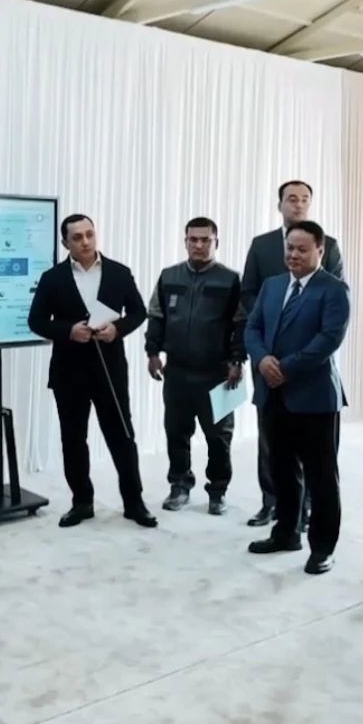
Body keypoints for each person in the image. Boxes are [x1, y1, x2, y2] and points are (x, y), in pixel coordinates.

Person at [27, 214, 156, 529]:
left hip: (109, 369)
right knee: (73, 439)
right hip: (68, 371)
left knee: (122, 436)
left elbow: (139, 312)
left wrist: (117, 329)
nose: (85, 242)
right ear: (65, 243)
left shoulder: (119, 272)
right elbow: (36, 321)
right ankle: (82, 502)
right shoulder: (52, 278)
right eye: (77, 237)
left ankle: (134, 502)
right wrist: (68, 330)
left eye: (89, 234)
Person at [244, 220, 350, 575]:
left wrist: (286, 368)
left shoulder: (334, 289)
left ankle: (322, 548)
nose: (293, 255)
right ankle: (285, 533)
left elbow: (329, 339)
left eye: (302, 249)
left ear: (320, 250)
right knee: (281, 469)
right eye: (289, 248)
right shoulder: (273, 285)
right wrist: (262, 359)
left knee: (322, 477)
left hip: (314, 397)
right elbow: (253, 328)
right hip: (272, 394)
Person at [145, 218, 246, 515]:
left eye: (205, 240)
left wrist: (237, 361)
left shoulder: (231, 280)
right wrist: (153, 352)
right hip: (177, 371)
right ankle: (179, 485)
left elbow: (241, 323)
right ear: (185, 241)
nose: (199, 245)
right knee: (176, 433)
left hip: (217, 372)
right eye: (193, 240)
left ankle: (218, 491)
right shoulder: (169, 276)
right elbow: (156, 315)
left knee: (219, 437)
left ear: (216, 242)